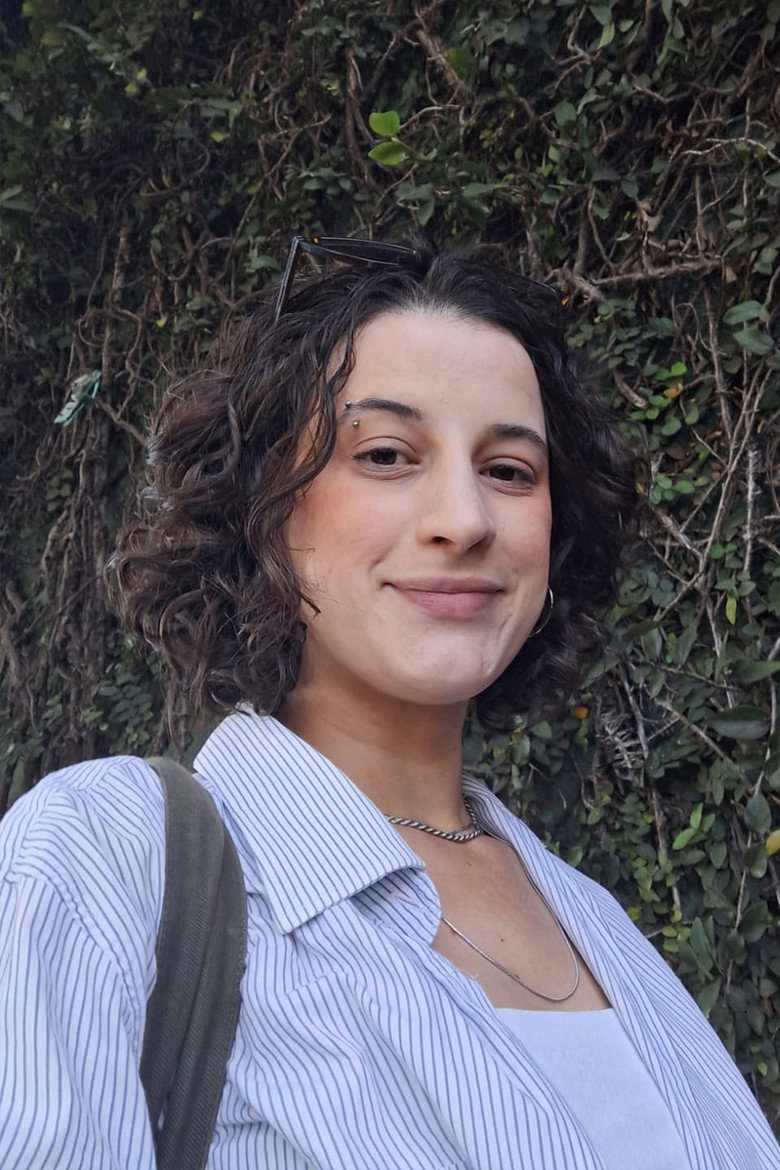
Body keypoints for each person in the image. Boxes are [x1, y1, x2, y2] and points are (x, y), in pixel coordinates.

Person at [1, 235, 777, 1170]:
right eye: (385, 454)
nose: (465, 520)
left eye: (510, 470)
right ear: (263, 506)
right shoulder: (103, 863)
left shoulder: (595, 921)